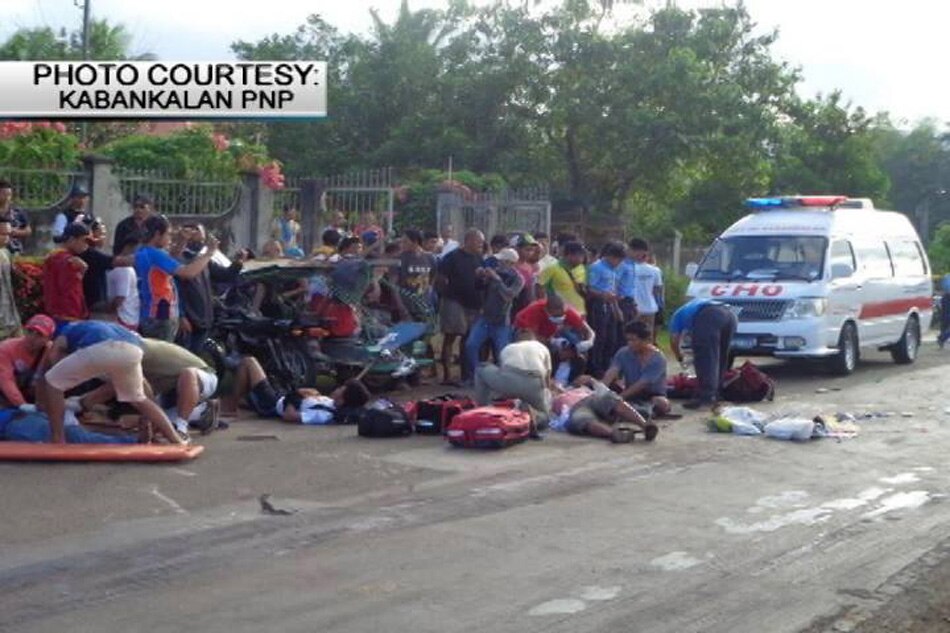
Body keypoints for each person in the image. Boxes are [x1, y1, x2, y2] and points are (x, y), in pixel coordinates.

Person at [39, 320, 185, 445]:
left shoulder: (66, 330)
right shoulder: (104, 326)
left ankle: (58, 438)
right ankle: (175, 438)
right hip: (132, 350)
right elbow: (145, 386)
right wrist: (147, 421)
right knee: (138, 398)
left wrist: (49, 381)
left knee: (52, 381)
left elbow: (53, 357)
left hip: (101, 346)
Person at [135, 215, 218, 342]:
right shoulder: (156, 254)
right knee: (163, 358)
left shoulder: (143, 251)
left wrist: (182, 241)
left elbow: (170, 258)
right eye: (168, 234)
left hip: (150, 313)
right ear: (157, 234)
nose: (170, 238)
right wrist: (209, 253)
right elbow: (187, 273)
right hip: (160, 316)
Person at [230, 355, 370, 423]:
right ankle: (242, 401)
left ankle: (231, 407)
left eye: (341, 389)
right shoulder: (329, 402)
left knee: (249, 362)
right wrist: (309, 394)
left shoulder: (324, 414)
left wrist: (295, 397)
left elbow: (289, 416)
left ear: (342, 399)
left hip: (273, 404)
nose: (337, 389)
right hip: (281, 396)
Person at [176, 223, 244, 354]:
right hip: (188, 319)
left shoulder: (204, 259)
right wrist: (181, 316)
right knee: (185, 358)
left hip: (203, 317)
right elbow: (176, 288)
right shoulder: (179, 257)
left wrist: (238, 263)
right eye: (191, 229)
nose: (194, 232)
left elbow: (224, 275)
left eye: (198, 229)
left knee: (197, 357)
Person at [474, 329, 554, 434]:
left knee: (480, 368)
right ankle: (531, 419)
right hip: (534, 382)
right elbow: (547, 380)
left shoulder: (508, 348)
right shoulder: (542, 347)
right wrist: (544, 398)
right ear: (534, 338)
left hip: (509, 381)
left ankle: (482, 410)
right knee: (545, 416)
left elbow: (502, 372)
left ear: (516, 340)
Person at [669, 298, 738, 410]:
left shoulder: (676, 317)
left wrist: (679, 357)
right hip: (730, 315)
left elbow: (674, 340)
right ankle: (717, 393)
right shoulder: (693, 307)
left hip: (709, 316)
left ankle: (705, 397)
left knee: (705, 358)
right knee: (720, 357)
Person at [465, 248, 524, 377]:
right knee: (471, 345)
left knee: (503, 353)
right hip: (485, 317)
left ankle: (504, 379)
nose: (498, 264)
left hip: (502, 321)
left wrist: (497, 279)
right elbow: (480, 287)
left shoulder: (518, 279)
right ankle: (477, 374)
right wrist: (481, 276)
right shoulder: (495, 273)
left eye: (502, 261)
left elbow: (508, 295)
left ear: (510, 263)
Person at [436, 229, 485, 385]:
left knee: (468, 338)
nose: (481, 245)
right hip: (454, 300)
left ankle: (465, 374)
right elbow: (440, 279)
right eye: (478, 241)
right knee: (451, 336)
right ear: (469, 240)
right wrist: (444, 296)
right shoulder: (452, 257)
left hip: (473, 303)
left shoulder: (479, 257)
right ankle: (447, 376)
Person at [551, 376, 658, 443]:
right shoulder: (552, 399)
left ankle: (645, 426)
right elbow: (553, 417)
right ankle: (614, 434)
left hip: (591, 399)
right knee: (581, 420)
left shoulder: (580, 387)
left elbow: (603, 389)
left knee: (611, 399)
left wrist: (591, 381)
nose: (555, 385)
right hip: (574, 408)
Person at [602, 320, 672, 416]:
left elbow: (642, 384)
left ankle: (633, 410)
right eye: (628, 340)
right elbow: (612, 372)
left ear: (646, 340)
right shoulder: (623, 353)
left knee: (662, 403)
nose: (630, 343)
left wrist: (619, 398)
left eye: (634, 340)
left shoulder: (658, 359)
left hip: (652, 395)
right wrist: (601, 389)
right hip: (631, 394)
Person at [586, 242, 626, 376]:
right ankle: (595, 368)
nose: (618, 263)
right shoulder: (597, 268)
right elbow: (590, 288)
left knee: (611, 338)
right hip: (598, 304)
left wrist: (616, 308)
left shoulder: (612, 270)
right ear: (610, 256)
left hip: (610, 305)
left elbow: (612, 289)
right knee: (600, 337)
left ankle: (607, 366)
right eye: (618, 260)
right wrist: (603, 295)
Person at [0, 314, 55, 410]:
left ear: (48, 338)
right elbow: (6, 380)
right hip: (5, 394)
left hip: (32, 394)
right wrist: (22, 405)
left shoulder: (51, 351)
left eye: (39, 334)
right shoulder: (6, 348)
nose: (32, 337)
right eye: (30, 331)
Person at [43, 222, 91, 326]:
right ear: (72, 240)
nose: (86, 245)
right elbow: (71, 294)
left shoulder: (52, 257)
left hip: (54, 314)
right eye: (84, 240)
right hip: (68, 317)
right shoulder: (70, 262)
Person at [514, 293, 594, 349]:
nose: (559, 318)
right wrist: (552, 341)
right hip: (523, 330)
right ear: (546, 310)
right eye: (556, 316)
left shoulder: (568, 312)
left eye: (562, 315)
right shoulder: (534, 311)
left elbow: (587, 330)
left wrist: (589, 341)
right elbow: (530, 336)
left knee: (575, 342)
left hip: (551, 332)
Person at [396, 229, 437, 322]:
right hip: (407, 304)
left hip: (424, 304)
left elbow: (433, 275)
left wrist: (429, 289)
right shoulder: (400, 258)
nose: (402, 244)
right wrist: (401, 307)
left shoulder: (430, 258)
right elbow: (394, 284)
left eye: (405, 241)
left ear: (415, 242)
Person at [626, 238, 663, 341]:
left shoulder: (628, 268)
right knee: (648, 337)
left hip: (634, 307)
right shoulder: (655, 270)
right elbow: (657, 290)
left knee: (633, 336)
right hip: (650, 307)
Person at [538, 241, 588, 316]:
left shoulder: (582, 269)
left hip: (580, 314)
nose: (583, 258)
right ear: (569, 255)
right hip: (561, 314)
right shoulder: (552, 268)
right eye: (580, 255)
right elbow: (539, 287)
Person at [106, 232, 142, 331]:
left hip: (125, 319)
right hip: (127, 319)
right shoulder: (125, 268)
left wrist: (110, 309)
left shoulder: (124, 269)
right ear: (128, 247)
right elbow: (121, 296)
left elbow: (121, 297)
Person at [0, 221, 21, 338]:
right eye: (3, 234)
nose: (7, 238)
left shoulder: (6, 252)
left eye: (8, 234)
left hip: (10, 316)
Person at [0, 179, 31, 255]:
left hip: (14, 250)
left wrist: (14, 231)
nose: (7, 197)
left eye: (9, 194)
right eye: (4, 194)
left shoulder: (18, 211)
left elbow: (28, 230)